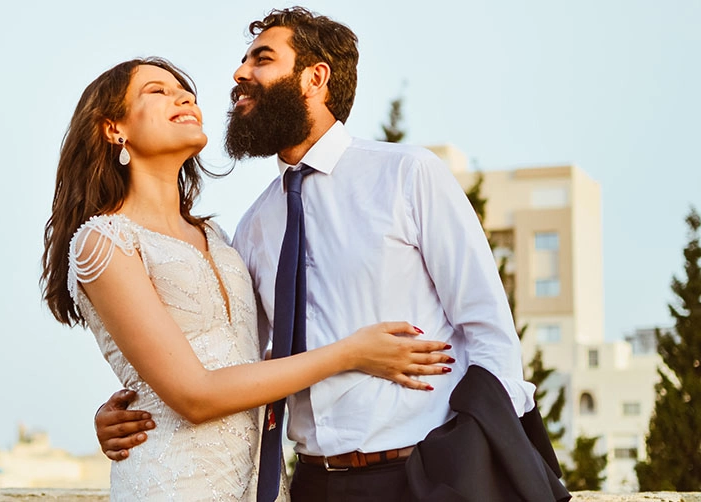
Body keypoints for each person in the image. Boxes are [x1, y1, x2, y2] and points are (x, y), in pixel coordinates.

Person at [94, 7, 551, 502]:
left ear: (315, 78)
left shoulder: (408, 175)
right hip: (311, 485)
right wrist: (137, 403)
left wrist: (471, 460)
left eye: (261, 59)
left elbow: (490, 333)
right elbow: (234, 360)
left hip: (426, 473)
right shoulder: (252, 229)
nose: (239, 74)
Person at [41, 57, 453, 501]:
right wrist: (351, 353)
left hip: (260, 483)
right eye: (157, 91)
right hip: (176, 482)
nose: (184, 97)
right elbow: (194, 395)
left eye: (186, 91)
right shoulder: (104, 240)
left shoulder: (218, 236)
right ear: (113, 129)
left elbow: (248, 354)